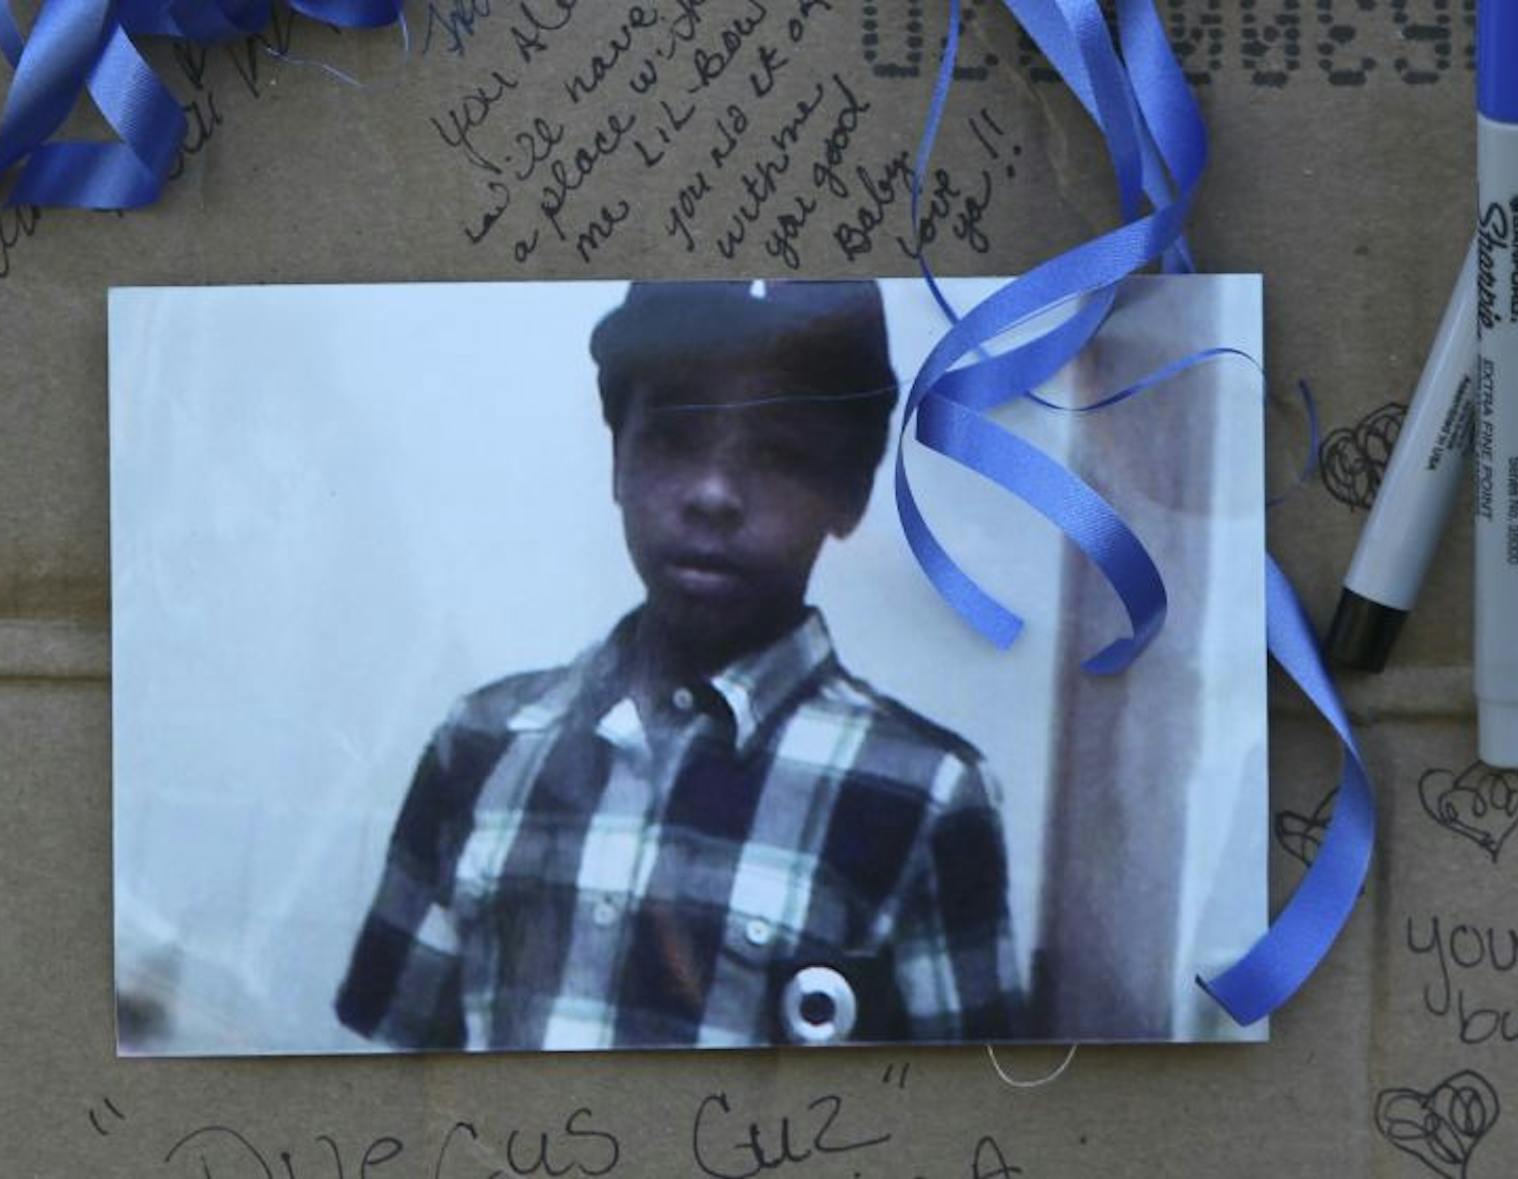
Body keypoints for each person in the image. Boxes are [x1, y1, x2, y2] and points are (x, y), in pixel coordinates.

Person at [335, 280, 1023, 1050]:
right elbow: (400, 1081)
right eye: (673, 438)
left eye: (778, 452)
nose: (713, 493)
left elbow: (968, 1112)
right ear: (618, 460)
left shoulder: (928, 796)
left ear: (850, 490)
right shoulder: (480, 742)